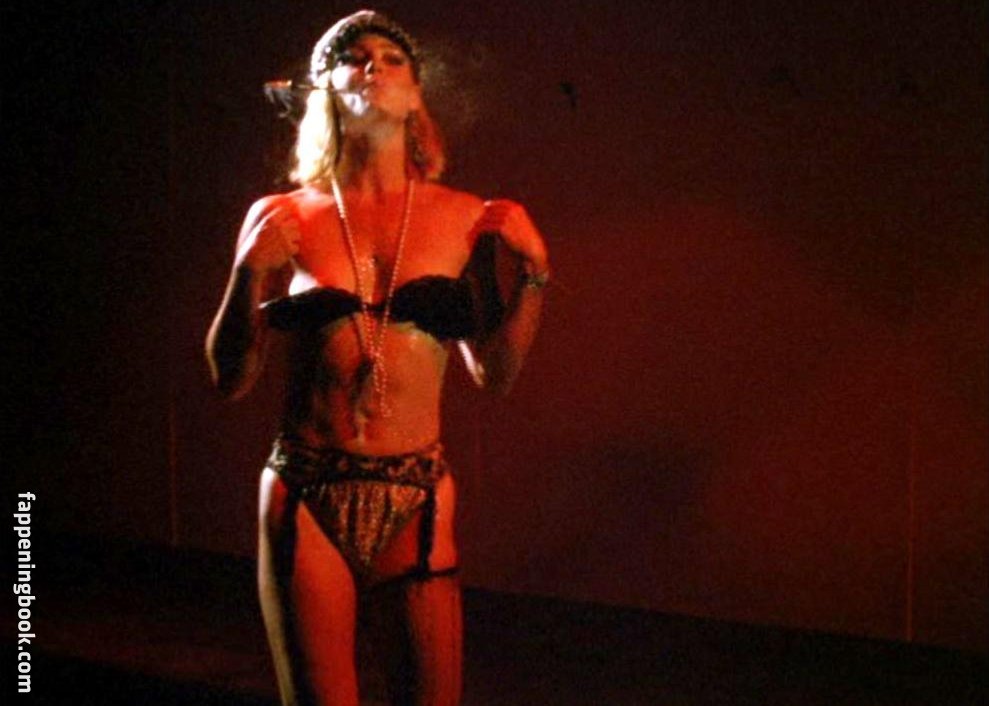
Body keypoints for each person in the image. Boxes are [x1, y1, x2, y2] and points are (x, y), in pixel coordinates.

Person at [205, 10, 549, 706]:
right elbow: (230, 379)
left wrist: (535, 275)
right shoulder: (282, 215)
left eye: (392, 59)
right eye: (354, 56)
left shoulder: (465, 218)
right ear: (324, 89)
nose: (373, 66)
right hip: (305, 488)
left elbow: (494, 374)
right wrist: (247, 274)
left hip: (414, 490)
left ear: (417, 93)